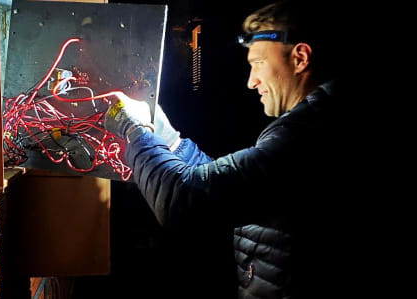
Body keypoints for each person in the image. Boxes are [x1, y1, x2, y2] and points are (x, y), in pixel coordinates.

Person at [105, 1, 360, 298]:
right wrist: (168, 138)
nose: (252, 82)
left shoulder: (309, 135)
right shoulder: (315, 124)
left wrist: (133, 129)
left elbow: (184, 203)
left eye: (258, 64)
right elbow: (225, 187)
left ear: (300, 57)